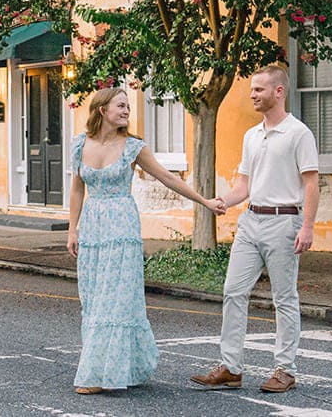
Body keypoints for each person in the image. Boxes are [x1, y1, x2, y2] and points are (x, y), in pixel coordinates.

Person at [67, 87, 225, 395]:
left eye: (127, 106)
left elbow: (168, 177)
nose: (127, 111)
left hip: (122, 227)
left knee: (114, 299)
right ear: (102, 110)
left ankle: (98, 374)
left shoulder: (132, 147)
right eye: (121, 105)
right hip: (93, 227)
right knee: (94, 297)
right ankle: (127, 365)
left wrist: (204, 202)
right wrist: (72, 229)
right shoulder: (80, 145)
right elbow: (76, 189)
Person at [190, 64, 319, 394]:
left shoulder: (298, 133)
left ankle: (285, 370)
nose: (252, 95)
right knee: (233, 290)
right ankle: (231, 367)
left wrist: (307, 227)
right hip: (251, 221)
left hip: (284, 221)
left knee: (284, 298)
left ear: (279, 92)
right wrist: (224, 201)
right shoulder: (251, 135)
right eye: (251, 90)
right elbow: (245, 186)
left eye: (258, 90)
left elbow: (311, 183)